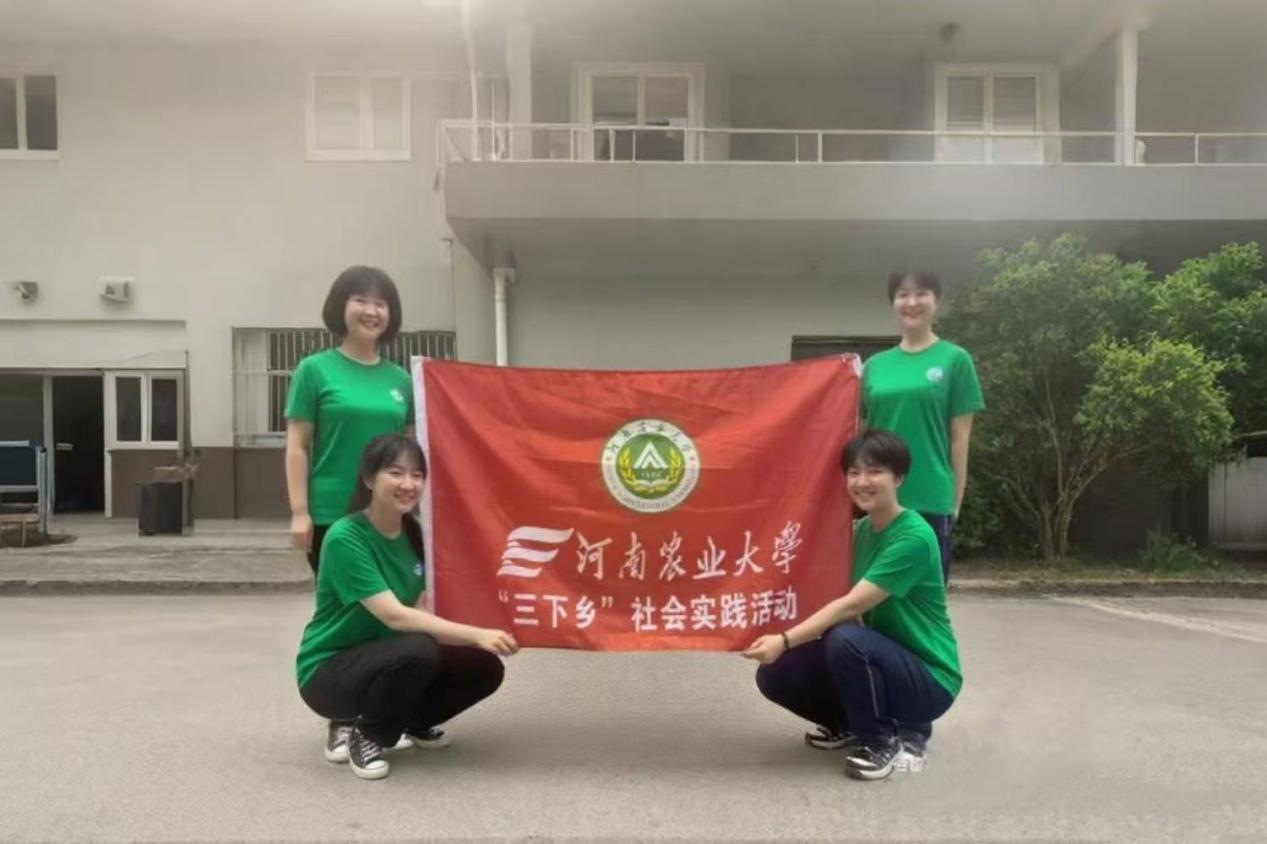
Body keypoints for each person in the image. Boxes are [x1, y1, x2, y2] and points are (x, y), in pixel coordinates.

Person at [743, 430, 961, 781]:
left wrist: (783, 639)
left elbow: (849, 606)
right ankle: (848, 724)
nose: (862, 481)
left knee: (845, 639)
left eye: (875, 471)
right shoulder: (858, 533)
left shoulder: (914, 537)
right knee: (776, 673)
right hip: (881, 659)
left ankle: (879, 741)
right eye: (854, 472)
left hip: (929, 678)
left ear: (898, 477)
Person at [296, 434, 516, 780]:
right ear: (369, 479)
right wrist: (477, 633)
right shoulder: (346, 537)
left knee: (484, 667)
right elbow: (395, 616)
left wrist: (495, 634)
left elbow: (424, 613)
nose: (408, 484)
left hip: (390, 658)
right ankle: (368, 734)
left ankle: (407, 721)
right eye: (395, 473)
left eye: (417, 474)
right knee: (418, 649)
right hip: (329, 671)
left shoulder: (414, 533)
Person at [285, 266, 415, 575]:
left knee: (392, 600)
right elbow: (297, 445)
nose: (371, 311)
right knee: (347, 601)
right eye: (361, 300)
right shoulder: (314, 370)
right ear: (340, 306)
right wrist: (300, 512)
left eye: (381, 304)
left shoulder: (401, 379)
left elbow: (411, 451)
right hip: (332, 513)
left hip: (390, 515)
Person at [861, 270, 984, 581]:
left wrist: (955, 501)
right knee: (875, 597)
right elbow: (859, 435)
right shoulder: (873, 367)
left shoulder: (955, 360)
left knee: (925, 598)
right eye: (903, 294)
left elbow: (960, 439)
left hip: (931, 497)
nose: (912, 302)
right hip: (879, 498)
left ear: (936, 301)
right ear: (893, 303)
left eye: (921, 293)